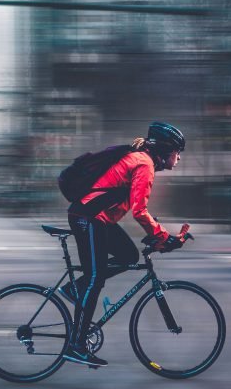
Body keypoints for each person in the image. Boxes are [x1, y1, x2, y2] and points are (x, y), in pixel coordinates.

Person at [61, 121, 189, 367]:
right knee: (95, 279)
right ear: (166, 149)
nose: (179, 158)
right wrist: (163, 236)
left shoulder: (141, 159)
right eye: (178, 152)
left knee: (129, 256)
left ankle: (77, 289)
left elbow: (137, 208)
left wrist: (159, 235)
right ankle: (76, 345)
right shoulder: (144, 164)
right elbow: (140, 211)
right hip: (88, 217)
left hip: (97, 218)